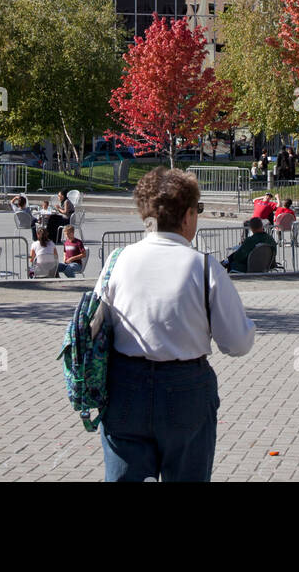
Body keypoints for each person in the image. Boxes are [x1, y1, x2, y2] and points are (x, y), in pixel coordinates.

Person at [99, 167, 255, 481]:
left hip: (124, 384)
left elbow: (95, 325)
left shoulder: (117, 261)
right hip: (186, 387)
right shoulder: (205, 268)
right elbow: (236, 343)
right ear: (186, 216)